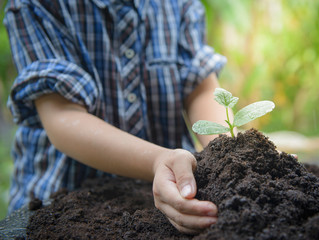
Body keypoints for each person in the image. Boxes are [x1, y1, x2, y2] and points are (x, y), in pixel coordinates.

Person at [4, 0, 230, 234]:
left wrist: (223, 152)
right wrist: (157, 160)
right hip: (66, 203)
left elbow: (201, 89)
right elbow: (63, 115)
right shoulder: (39, 6)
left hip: (176, 194)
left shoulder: (178, 4)